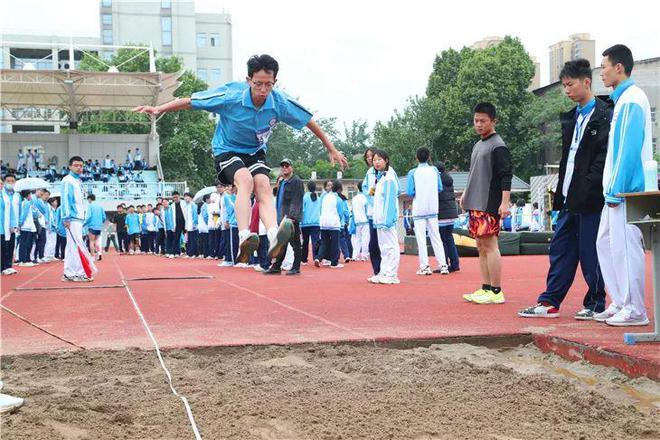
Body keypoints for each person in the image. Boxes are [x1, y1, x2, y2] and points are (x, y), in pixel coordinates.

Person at [133, 54, 348, 265]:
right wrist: (159, 108)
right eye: (258, 84)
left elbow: (308, 120)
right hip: (227, 150)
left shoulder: (279, 102)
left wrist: (331, 149)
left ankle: (274, 235)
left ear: (275, 82)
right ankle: (244, 236)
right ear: (248, 81)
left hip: (255, 151)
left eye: (268, 84)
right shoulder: (231, 96)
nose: (263, 90)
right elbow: (191, 102)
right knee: (245, 180)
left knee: (263, 184)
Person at [519, 59, 610, 320]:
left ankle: (596, 302)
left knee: (591, 251)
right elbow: (567, 160)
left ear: (586, 82)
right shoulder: (573, 117)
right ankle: (550, 301)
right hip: (569, 195)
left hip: (591, 197)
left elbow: (602, 160)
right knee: (560, 248)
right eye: (564, 86)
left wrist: (589, 187)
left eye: (570, 85)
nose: (566, 90)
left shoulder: (604, 115)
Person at [595, 45, 652, 326]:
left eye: (604, 65)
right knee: (604, 243)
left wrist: (617, 189)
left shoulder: (631, 100)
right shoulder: (622, 100)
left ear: (619, 67)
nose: (601, 71)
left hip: (626, 190)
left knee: (626, 248)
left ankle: (636, 309)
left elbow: (628, 151)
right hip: (616, 190)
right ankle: (620, 300)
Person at [460, 103, 512, 304]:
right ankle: (486, 287)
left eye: (483, 121)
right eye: (476, 120)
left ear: (493, 121)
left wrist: (504, 202)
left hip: (489, 201)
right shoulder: (478, 144)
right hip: (476, 201)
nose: (478, 124)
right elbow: (475, 172)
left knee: (490, 245)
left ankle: (497, 291)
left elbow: (506, 175)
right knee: (480, 246)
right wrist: (466, 192)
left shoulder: (498, 145)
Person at [406, 147, 448, 276]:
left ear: (416, 158)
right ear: (429, 157)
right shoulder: (434, 170)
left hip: (419, 208)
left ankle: (425, 267)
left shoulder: (412, 172)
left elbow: (410, 192)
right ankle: (443, 265)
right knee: (436, 237)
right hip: (432, 208)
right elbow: (440, 188)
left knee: (421, 238)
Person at [265, 159, 305, 275]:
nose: (284, 167)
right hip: (282, 217)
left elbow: (297, 200)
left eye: (287, 165)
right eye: (282, 166)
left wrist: (292, 217)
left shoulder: (296, 182)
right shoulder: (282, 182)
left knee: (295, 244)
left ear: (291, 167)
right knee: (281, 244)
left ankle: (296, 267)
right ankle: (276, 266)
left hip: (291, 219)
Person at [61, 156, 96, 282]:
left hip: (78, 219)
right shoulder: (68, 180)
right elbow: (65, 200)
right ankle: (80, 272)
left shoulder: (78, 181)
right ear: (70, 166)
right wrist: (66, 217)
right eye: (76, 165)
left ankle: (69, 272)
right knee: (78, 245)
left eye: (81, 166)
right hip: (72, 218)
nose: (79, 168)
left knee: (71, 245)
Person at [369, 150, 400, 284]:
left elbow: (390, 200)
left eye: (379, 159)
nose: (376, 162)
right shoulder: (380, 178)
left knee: (391, 246)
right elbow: (375, 197)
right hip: (379, 219)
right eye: (374, 160)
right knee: (383, 247)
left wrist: (388, 219)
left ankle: (392, 274)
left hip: (386, 219)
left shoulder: (389, 178)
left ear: (386, 160)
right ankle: (384, 271)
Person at [436, 161, 460, 273]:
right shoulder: (449, 179)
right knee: (449, 239)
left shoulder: (437, 180)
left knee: (442, 240)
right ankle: (455, 264)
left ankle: (444, 264)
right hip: (451, 214)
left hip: (441, 214)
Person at [361, 148, 382, 277]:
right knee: (373, 243)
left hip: (383, 213)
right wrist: (370, 198)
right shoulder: (369, 173)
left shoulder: (386, 172)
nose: (369, 158)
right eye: (367, 157)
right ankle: (377, 270)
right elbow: (366, 189)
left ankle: (387, 270)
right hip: (372, 213)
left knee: (384, 243)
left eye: (372, 156)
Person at [1, 175, 21, 275]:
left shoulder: (17, 195)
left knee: (11, 246)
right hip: (3, 226)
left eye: (12, 181)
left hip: (12, 226)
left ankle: (8, 266)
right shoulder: (2, 194)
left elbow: (17, 211)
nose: (10, 183)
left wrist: (16, 224)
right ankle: (3, 267)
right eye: (8, 181)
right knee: (3, 247)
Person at [300, 181, 321, 265]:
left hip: (305, 223)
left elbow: (302, 210)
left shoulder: (305, 197)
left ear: (307, 187)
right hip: (316, 223)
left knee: (305, 241)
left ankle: (304, 259)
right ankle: (316, 257)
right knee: (315, 241)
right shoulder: (318, 197)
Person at [220, 185, 239, 266]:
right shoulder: (227, 197)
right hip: (233, 222)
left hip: (233, 223)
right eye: (227, 187)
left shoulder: (229, 197)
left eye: (230, 186)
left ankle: (231, 260)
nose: (228, 188)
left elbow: (229, 210)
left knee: (232, 243)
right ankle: (229, 258)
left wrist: (227, 221)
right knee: (229, 242)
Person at [17, 190, 37, 266]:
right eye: (30, 195)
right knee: (24, 244)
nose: (31, 196)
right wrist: (20, 224)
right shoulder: (26, 203)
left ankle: (27, 259)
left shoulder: (28, 203)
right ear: (28, 195)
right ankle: (23, 260)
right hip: (26, 226)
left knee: (28, 244)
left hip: (29, 226)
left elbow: (34, 214)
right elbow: (23, 215)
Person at [85, 194, 106, 261]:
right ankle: (99, 253)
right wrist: (100, 223)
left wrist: (84, 223)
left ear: (90, 199)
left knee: (91, 241)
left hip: (92, 226)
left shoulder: (90, 206)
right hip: (99, 226)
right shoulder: (100, 206)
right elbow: (104, 217)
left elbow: (88, 216)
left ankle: (92, 256)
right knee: (97, 241)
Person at [350, 190, 370, 262]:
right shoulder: (366, 198)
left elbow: (353, 211)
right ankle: (364, 256)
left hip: (357, 221)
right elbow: (367, 210)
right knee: (365, 239)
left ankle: (354, 256)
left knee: (357, 239)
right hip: (365, 221)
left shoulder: (354, 198)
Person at [183, 192, 199, 258]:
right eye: (185, 197)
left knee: (193, 240)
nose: (185, 198)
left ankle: (193, 253)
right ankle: (191, 253)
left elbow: (195, 215)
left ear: (190, 197)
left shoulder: (193, 205)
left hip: (193, 225)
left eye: (187, 196)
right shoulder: (186, 205)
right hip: (188, 225)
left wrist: (194, 224)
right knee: (189, 239)